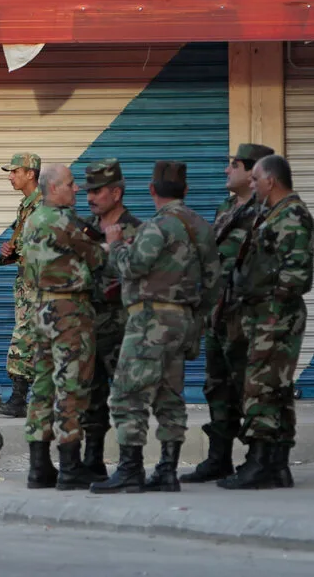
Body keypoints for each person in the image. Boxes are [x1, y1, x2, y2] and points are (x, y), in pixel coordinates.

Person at [91, 161, 219, 494]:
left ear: (152, 190)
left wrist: (115, 244)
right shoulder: (202, 227)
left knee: (127, 393)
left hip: (150, 322)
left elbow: (132, 267)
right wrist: (195, 320)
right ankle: (167, 471)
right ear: (185, 190)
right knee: (168, 395)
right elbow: (214, 282)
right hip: (182, 322)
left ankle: (130, 470)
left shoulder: (157, 226)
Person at [218, 155, 314, 490]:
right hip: (264, 312)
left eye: (256, 179)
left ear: (271, 181)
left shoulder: (292, 215)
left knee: (260, 387)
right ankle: (276, 464)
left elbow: (296, 273)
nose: (252, 184)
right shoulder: (271, 213)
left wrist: (270, 305)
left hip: (275, 314)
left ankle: (261, 463)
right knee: (275, 388)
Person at [181, 143, 274, 484]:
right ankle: (218, 458)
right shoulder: (227, 208)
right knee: (216, 386)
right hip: (219, 312)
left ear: (252, 171)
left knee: (251, 387)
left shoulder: (266, 212)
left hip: (246, 314)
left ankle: (258, 460)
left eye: (233, 165)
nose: (226, 170)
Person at [21, 164, 106, 490]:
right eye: (71, 184)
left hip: (40, 310)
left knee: (42, 385)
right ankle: (70, 467)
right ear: (54, 188)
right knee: (71, 385)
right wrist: (111, 244)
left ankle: (39, 467)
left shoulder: (33, 220)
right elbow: (97, 259)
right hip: (69, 311)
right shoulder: (64, 222)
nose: (77, 189)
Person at [80, 159, 141, 481]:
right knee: (91, 398)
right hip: (90, 327)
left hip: (124, 328)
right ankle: (92, 461)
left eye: (98, 191)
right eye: (88, 191)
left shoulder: (138, 231)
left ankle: (131, 464)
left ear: (116, 193)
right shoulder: (83, 230)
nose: (90, 197)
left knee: (128, 398)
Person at [0, 153, 43, 418]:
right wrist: (11, 250)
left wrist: (22, 253)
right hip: (26, 282)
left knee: (23, 338)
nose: (10, 177)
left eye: (15, 172)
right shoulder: (26, 206)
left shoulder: (44, 206)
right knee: (32, 338)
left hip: (39, 283)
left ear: (30, 173)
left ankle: (18, 400)